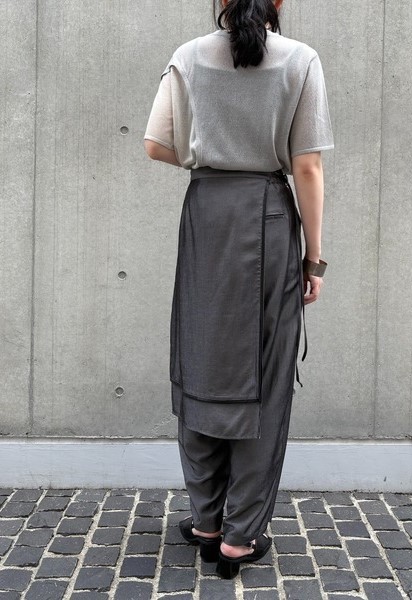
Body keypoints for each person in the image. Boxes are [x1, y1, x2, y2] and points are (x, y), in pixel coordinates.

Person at [144, 0, 334, 579]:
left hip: (206, 212)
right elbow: (307, 167)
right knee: (264, 378)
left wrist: (208, 152)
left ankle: (206, 522)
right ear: (278, 2)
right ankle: (239, 537)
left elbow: (155, 144)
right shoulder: (300, 60)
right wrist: (315, 259)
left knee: (201, 361)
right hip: (267, 218)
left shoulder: (187, 56)